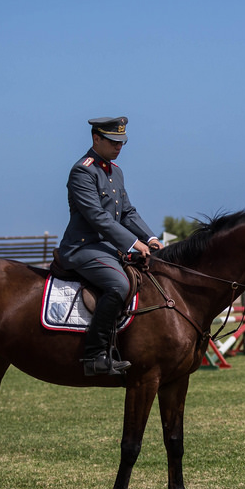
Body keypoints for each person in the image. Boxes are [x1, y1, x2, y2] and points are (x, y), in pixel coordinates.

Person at [58, 116, 162, 376]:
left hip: (108, 249)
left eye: (122, 142)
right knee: (119, 285)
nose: (119, 147)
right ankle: (95, 355)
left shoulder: (115, 171)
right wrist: (133, 242)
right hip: (83, 248)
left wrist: (150, 238)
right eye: (114, 142)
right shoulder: (83, 170)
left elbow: (127, 212)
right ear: (96, 139)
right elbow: (97, 217)